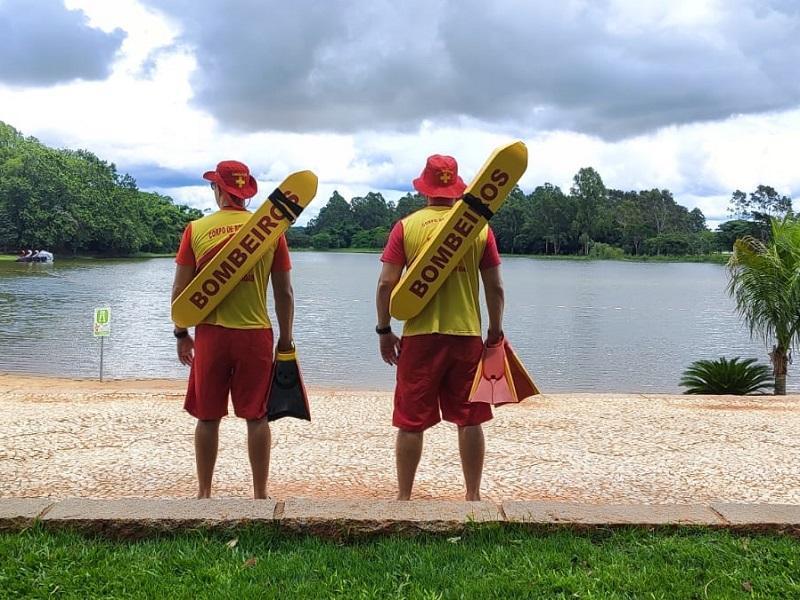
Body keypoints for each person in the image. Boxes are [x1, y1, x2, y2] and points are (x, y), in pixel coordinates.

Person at [375, 154, 505, 501]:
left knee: (410, 420)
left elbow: (387, 284)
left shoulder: (407, 226)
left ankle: (404, 498)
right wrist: (495, 331)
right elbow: (495, 287)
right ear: (455, 188)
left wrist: (384, 330)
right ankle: (473, 497)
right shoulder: (480, 228)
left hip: (419, 337)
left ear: (424, 189)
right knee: (470, 419)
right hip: (466, 336)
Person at [171, 160, 295, 499]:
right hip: (256, 333)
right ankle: (259, 495)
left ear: (219, 190)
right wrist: (285, 340)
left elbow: (180, 294)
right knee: (257, 417)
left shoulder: (195, 229)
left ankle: (204, 493)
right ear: (244, 193)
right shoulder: (271, 232)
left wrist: (182, 334)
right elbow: (284, 292)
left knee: (208, 417)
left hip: (211, 334)